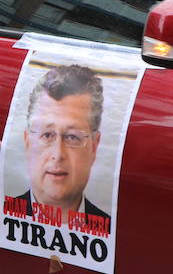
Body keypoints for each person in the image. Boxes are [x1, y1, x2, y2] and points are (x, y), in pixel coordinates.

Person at [16, 63, 109, 221]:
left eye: (72, 137)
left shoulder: (115, 226)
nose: (58, 154)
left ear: (94, 146)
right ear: (27, 142)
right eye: (47, 135)